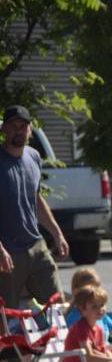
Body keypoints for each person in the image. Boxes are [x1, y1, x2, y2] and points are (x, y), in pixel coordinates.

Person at [0, 105, 68, 311]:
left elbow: (36, 199)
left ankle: (53, 343)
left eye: (24, 126)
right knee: (7, 315)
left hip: (36, 245)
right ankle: (11, 345)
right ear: (4, 129)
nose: (19, 130)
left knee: (57, 305)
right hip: (8, 250)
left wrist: (57, 233)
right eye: (14, 126)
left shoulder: (33, 157)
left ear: (30, 130)